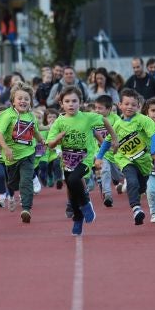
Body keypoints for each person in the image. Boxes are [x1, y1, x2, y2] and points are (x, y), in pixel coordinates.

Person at [46, 86, 114, 235]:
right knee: (71, 189)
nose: (71, 104)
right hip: (68, 160)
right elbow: (50, 144)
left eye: (74, 101)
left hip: (86, 158)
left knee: (74, 181)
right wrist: (58, 138)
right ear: (61, 104)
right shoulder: (59, 122)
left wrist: (114, 139)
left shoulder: (88, 117)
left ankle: (86, 204)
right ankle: (78, 219)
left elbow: (105, 121)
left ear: (80, 102)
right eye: (67, 101)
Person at [96, 88, 155, 225]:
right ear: (120, 105)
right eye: (126, 104)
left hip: (144, 160)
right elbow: (107, 141)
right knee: (132, 181)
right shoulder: (117, 124)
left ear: (138, 106)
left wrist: (153, 151)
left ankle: (127, 189)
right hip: (125, 159)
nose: (130, 107)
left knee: (141, 187)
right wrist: (99, 157)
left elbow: (154, 135)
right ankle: (136, 209)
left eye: (133, 105)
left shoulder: (143, 120)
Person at [0, 83, 43, 223]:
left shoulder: (31, 116)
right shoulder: (7, 115)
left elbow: (35, 132)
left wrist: (42, 141)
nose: (23, 101)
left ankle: (26, 209)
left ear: (31, 102)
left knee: (26, 181)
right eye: (19, 98)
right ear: (13, 101)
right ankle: (11, 188)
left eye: (26, 99)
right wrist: (6, 148)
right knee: (13, 183)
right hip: (11, 157)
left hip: (28, 153)